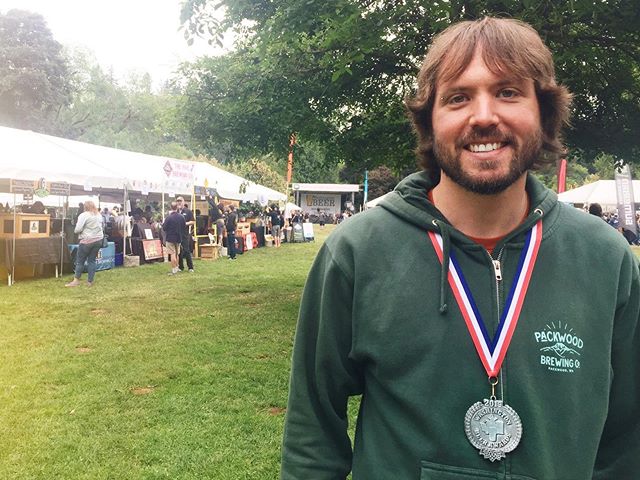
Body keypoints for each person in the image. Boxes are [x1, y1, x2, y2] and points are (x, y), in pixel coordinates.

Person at [281, 17, 640, 480]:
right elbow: (313, 435)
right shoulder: (358, 250)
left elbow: (627, 442)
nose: (484, 115)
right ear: (430, 120)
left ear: (543, 113)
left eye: (508, 92)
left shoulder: (605, 258)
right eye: (458, 97)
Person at [65, 200, 104, 287]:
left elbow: (77, 229)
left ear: (84, 207)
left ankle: (76, 281)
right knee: (92, 261)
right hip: (98, 240)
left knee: (80, 261)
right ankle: (90, 281)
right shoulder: (99, 215)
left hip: (86, 240)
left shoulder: (84, 215)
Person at [162, 202, 186, 275]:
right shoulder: (182, 217)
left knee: (172, 254)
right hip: (178, 237)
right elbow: (184, 226)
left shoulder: (168, 217)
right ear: (177, 207)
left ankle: (174, 270)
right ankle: (177, 267)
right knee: (177, 254)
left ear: (171, 208)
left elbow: (164, 228)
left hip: (170, 238)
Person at [176, 196, 195, 272]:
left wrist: (185, 223)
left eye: (180, 200)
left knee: (186, 250)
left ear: (183, 202)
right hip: (177, 234)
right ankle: (181, 267)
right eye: (177, 201)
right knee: (178, 251)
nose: (179, 202)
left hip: (185, 234)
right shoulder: (176, 211)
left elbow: (193, 221)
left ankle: (190, 267)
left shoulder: (188, 211)